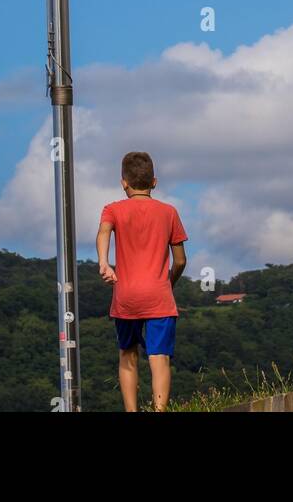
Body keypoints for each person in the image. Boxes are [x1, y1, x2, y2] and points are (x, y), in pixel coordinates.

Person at [96, 151, 188, 412]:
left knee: (128, 354)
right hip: (159, 296)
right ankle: (159, 410)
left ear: (123, 182)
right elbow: (180, 260)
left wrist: (104, 262)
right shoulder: (169, 212)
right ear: (154, 182)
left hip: (126, 295)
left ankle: (131, 410)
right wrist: (168, 283)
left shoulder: (112, 209)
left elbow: (103, 232)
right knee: (159, 358)